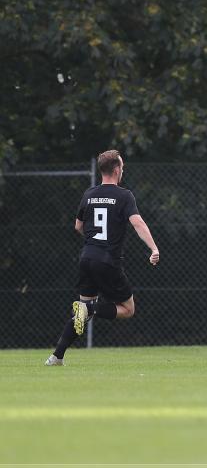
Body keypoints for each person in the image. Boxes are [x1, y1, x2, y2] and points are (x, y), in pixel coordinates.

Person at [45, 150, 159, 366]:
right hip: (107, 261)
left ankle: (56, 356)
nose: (122, 170)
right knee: (127, 309)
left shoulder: (89, 194)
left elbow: (78, 226)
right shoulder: (125, 196)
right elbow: (138, 223)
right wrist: (153, 248)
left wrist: (92, 242)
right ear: (117, 170)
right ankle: (90, 309)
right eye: (122, 167)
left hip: (87, 258)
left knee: (81, 311)